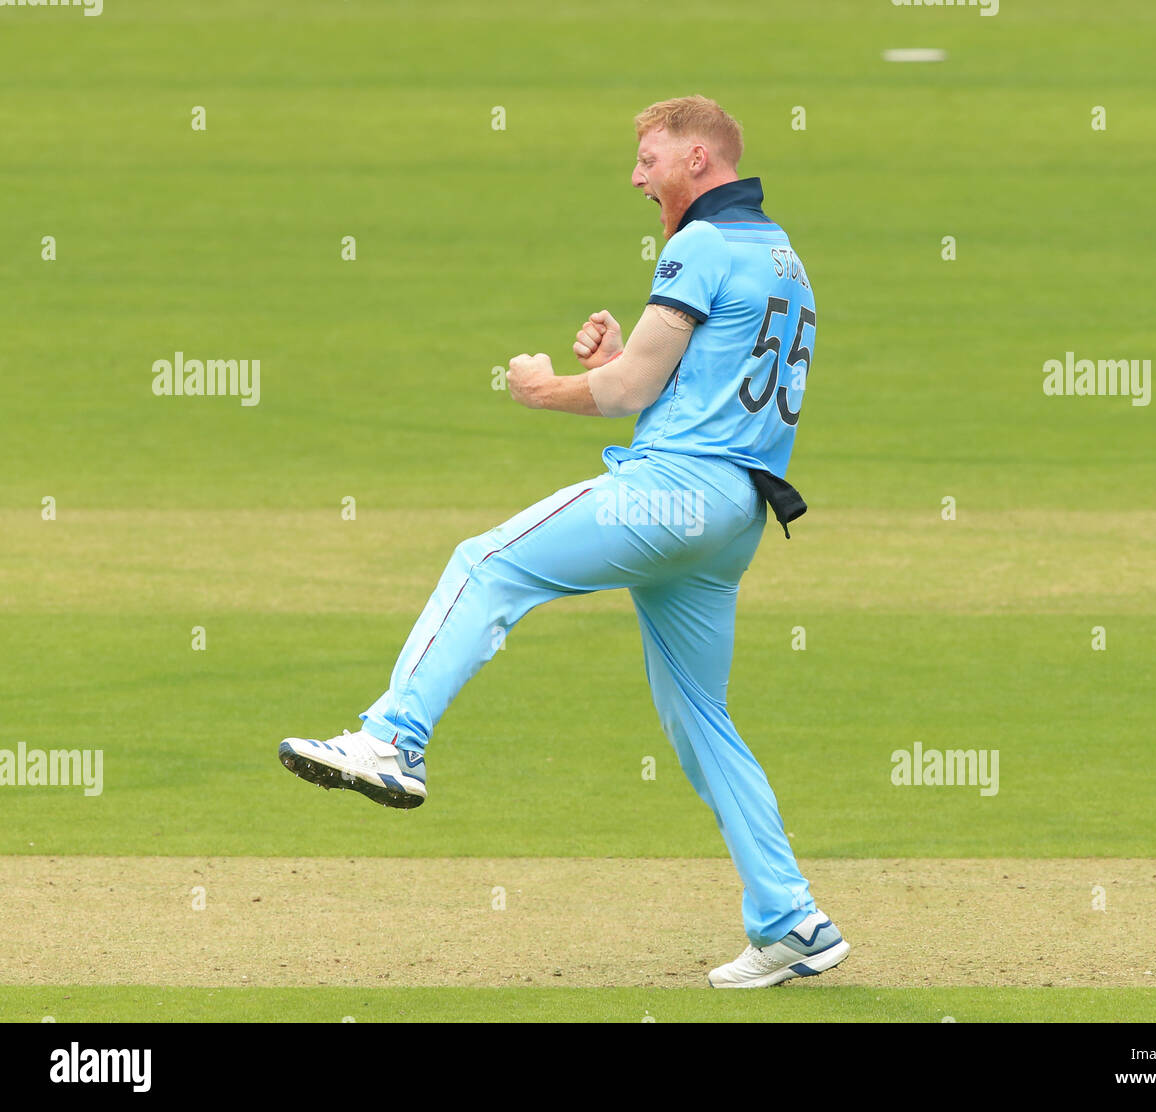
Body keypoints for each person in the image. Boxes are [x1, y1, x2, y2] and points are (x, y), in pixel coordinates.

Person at [279, 95, 849, 988]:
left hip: (673, 496)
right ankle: (791, 920)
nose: (636, 175)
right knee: (701, 723)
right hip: (736, 514)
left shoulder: (696, 244)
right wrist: (622, 357)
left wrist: (545, 388)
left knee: (487, 562)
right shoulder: (783, 256)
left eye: (649, 158)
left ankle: (393, 740)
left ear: (699, 159)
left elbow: (628, 395)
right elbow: (695, 384)